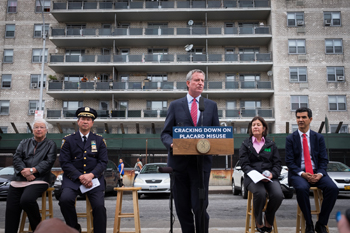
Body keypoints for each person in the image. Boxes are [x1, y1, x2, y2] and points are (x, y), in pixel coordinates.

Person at [161, 69, 220, 233]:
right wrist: (172, 144)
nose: (200, 83)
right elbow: (165, 133)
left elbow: (217, 134)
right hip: (179, 166)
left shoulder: (211, 106)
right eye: (197, 80)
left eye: (202, 80)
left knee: (200, 207)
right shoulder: (175, 105)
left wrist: (215, 144)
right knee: (182, 208)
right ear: (188, 83)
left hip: (200, 166)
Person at [285, 107, 338, 233]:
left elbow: (324, 159)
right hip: (299, 174)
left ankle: (321, 224)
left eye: (303, 117)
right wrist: (303, 174)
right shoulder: (290, 139)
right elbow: (289, 162)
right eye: (298, 117)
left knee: (333, 188)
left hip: (316, 172)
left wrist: (319, 174)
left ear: (310, 119)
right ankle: (309, 224)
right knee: (302, 189)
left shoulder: (318, 137)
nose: (300, 120)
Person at [59, 107, 108, 233]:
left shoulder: (99, 140)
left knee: (99, 206)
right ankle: (74, 228)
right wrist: (80, 177)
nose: (85, 121)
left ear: (92, 123)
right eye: (82, 119)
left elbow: (103, 162)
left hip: (94, 180)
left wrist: (91, 175)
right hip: (73, 180)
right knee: (65, 200)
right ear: (78, 121)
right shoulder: (68, 140)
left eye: (88, 119)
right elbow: (65, 162)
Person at [5, 119, 57, 233]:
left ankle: (38, 229)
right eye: (36, 127)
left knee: (26, 200)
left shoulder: (51, 144)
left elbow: (48, 162)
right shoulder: (24, 142)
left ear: (46, 130)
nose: (39, 129)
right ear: (32, 130)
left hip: (40, 178)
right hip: (19, 178)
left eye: (42, 127)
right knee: (11, 208)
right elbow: (17, 158)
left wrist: (32, 171)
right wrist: (24, 171)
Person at [239, 116, 283, 233]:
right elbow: (244, 164)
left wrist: (272, 174)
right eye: (253, 125)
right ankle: (258, 220)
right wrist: (254, 174)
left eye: (258, 125)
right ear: (251, 128)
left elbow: (277, 163)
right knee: (260, 193)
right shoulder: (245, 144)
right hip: (252, 178)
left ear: (264, 128)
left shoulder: (271, 145)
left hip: (269, 178)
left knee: (278, 195)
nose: (255, 127)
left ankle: (268, 218)